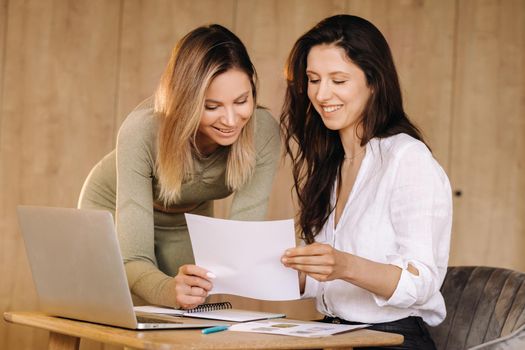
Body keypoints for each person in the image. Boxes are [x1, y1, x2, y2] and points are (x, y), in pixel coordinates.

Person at [280, 15, 452, 349]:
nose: (321, 93)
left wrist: (343, 264)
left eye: (338, 80)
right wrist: (295, 267)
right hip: (332, 332)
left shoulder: (406, 158)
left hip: (392, 338)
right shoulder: (332, 163)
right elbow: (328, 284)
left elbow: (422, 282)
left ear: (373, 82)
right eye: (313, 79)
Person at [78, 24, 280, 310]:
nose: (232, 120)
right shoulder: (142, 131)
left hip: (186, 215)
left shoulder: (263, 134)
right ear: (185, 101)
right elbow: (133, 256)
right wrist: (164, 290)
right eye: (212, 106)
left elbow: (241, 242)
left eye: (241, 101)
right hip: (112, 207)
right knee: (127, 312)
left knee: (193, 303)